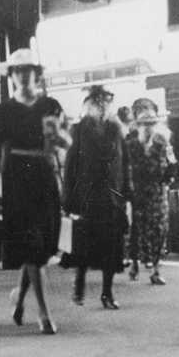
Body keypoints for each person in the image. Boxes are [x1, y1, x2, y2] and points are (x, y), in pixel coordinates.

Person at [0, 50, 66, 333]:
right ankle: (44, 314)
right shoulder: (4, 110)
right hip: (16, 176)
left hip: (44, 174)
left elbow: (62, 143)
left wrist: (60, 137)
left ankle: (19, 297)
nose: (23, 75)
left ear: (37, 74)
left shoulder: (51, 105)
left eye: (28, 70)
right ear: (11, 76)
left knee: (40, 245)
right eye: (18, 71)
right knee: (33, 244)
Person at [61, 85, 130, 309]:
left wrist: (126, 193)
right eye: (98, 102)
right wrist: (68, 199)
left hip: (111, 197)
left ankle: (107, 293)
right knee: (83, 246)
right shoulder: (79, 130)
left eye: (106, 103)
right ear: (89, 105)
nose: (102, 107)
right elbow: (70, 165)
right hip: (87, 197)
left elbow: (124, 163)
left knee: (111, 247)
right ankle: (79, 284)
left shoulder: (116, 130)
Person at [125, 101, 177, 283]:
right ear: (138, 124)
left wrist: (167, 181)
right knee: (135, 231)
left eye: (151, 123)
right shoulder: (129, 142)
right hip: (136, 193)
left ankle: (155, 270)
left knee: (159, 230)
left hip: (158, 193)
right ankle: (134, 264)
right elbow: (122, 168)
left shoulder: (163, 141)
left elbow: (172, 164)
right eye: (144, 123)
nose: (148, 127)